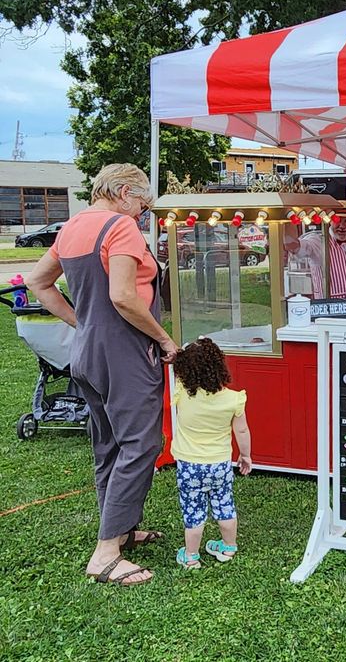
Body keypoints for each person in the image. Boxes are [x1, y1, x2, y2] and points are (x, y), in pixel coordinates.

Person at [26, 163, 179, 586]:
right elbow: (125, 297)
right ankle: (107, 551)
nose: (143, 212)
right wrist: (165, 340)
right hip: (126, 352)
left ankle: (124, 529)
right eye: (143, 203)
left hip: (87, 352)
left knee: (108, 443)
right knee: (142, 443)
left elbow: (39, 283)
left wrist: (81, 322)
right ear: (125, 191)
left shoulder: (73, 226)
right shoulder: (121, 227)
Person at [171, 338, 251, 569]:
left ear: (184, 371)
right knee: (225, 504)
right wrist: (245, 456)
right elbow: (242, 430)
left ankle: (191, 555)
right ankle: (228, 547)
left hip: (189, 465)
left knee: (194, 511)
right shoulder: (234, 399)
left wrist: (185, 352)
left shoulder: (183, 393)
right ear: (220, 366)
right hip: (219, 465)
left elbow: (179, 367)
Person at [285, 205, 346, 309]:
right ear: (330, 220)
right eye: (337, 220)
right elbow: (292, 246)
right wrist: (289, 218)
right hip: (328, 311)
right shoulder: (317, 242)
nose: (342, 226)